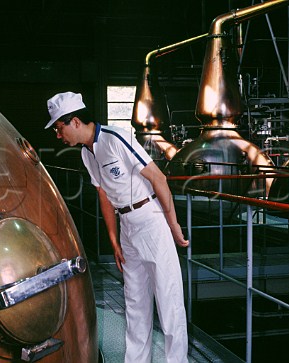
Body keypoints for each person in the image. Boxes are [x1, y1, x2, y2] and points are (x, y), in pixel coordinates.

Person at [45, 91, 189, 363]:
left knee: (169, 302)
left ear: (74, 121)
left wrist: (174, 226)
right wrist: (114, 241)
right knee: (135, 303)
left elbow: (158, 177)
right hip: (128, 227)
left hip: (151, 220)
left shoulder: (114, 138)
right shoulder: (88, 154)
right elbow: (104, 196)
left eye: (59, 128)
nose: (58, 135)